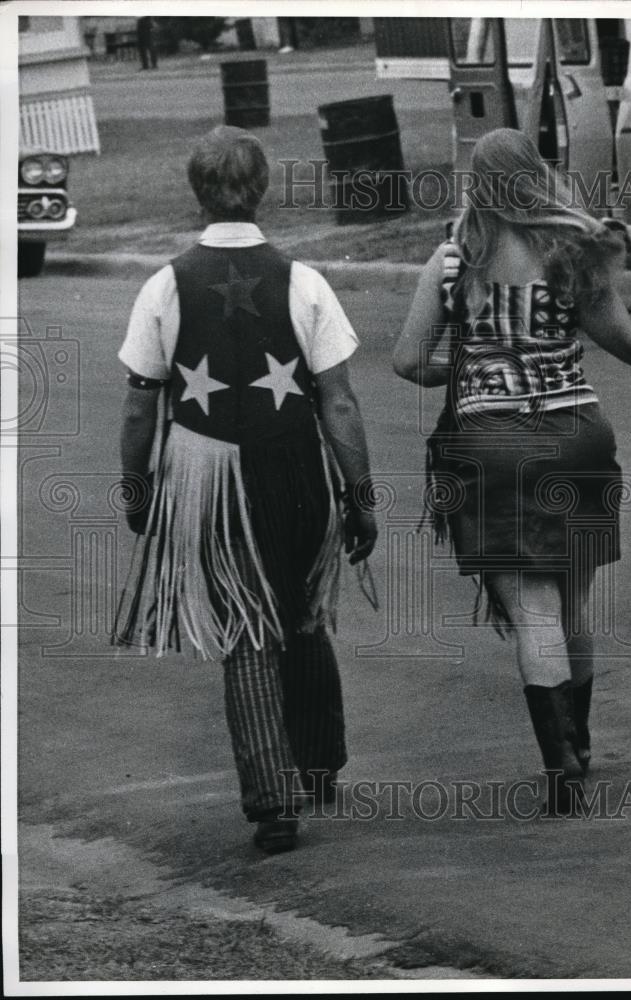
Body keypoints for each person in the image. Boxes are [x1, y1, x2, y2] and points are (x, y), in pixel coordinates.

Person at [115, 125, 377, 852]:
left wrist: (136, 489)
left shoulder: (164, 285)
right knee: (301, 606)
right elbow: (341, 404)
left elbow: (141, 403)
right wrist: (360, 498)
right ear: (260, 190)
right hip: (298, 467)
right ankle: (318, 763)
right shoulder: (306, 282)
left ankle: (273, 801)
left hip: (208, 476)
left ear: (198, 194)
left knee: (246, 628)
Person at [393, 128, 631, 814]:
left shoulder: (453, 263)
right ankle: (584, 742)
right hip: (579, 437)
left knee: (532, 608)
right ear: (538, 176)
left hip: (495, 448)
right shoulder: (575, 255)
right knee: (570, 603)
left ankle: (561, 770)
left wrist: (473, 369)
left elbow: (408, 360)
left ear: (476, 186)